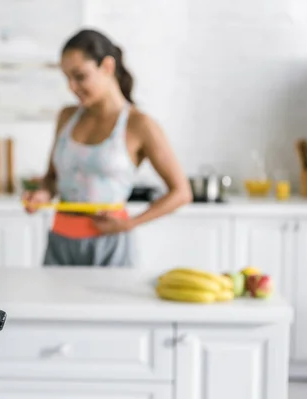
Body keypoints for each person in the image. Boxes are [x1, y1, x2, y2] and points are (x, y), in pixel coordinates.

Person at [22, 29, 192, 267]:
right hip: (60, 241)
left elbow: (181, 193)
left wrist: (130, 223)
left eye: (80, 76)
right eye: (67, 78)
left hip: (110, 246)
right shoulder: (67, 116)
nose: (71, 87)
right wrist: (42, 193)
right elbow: (52, 178)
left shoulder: (139, 125)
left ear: (107, 67)